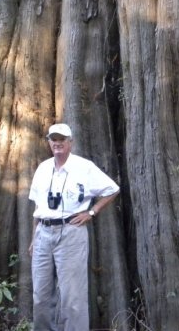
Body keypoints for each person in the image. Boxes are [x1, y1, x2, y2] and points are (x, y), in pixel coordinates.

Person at [29, 123, 120, 331]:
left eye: (62, 139)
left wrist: (91, 212)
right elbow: (37, 206)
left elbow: (112, 189)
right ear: (49, 142)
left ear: (71, 142)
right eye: (54, 139)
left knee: (73, 299)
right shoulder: (43, 168)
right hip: (43, 233)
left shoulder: (84, 167)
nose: (58, 143)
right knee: (40, 297)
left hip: (71, 233)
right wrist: (34, 237)